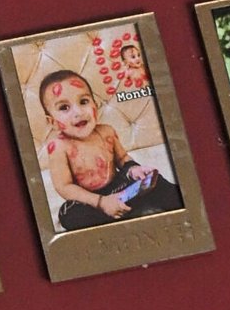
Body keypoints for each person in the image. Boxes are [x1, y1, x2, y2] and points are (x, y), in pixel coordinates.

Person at [37, 70, 182, 232]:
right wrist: (101, 202)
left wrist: (134, 170)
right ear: (52, 122)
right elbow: (64, 186)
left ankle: (182, 204)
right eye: (64, 107)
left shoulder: (107, 132)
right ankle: (132, 214)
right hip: (89, 200)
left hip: (118, 188)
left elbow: (123, 159)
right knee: (70, 215)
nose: (78, 112)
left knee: (153, 180)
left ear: (95, 106)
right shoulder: (58, 147)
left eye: (83, 101)